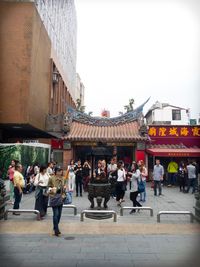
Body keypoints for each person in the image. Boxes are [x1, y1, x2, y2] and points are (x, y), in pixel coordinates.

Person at [48, 167, 66, 237]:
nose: (60, 173)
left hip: (61, 197)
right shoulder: (51, 178)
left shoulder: (63, 179)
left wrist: (64, 188)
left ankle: (55, 227)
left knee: (59, 214)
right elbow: (48, 187)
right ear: (55, 172)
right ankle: (56, 230)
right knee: (56, 214)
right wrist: (52, 189)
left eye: (61, 171)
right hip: (54, 197)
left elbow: (64, 188)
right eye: (58, 171)